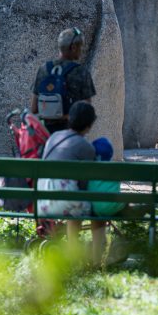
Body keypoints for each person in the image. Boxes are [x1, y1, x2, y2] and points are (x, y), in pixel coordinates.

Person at [36, 102, 108, 265]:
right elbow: (84, 184)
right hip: (65, 202)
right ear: (89, 125)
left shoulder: (54, 137)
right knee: (97, 213)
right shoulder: (86, 147)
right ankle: (96, 261)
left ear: (70, 118)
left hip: (43, 202)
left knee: (74, 203)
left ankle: (72, 255)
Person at [31, 27, 97, 134]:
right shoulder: (80, 71)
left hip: (46, 136)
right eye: (81, 47)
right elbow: (86, 110)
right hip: (70, 135)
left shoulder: (43, 69)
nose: (82, 50)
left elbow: (34, 109)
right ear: (74, 47)